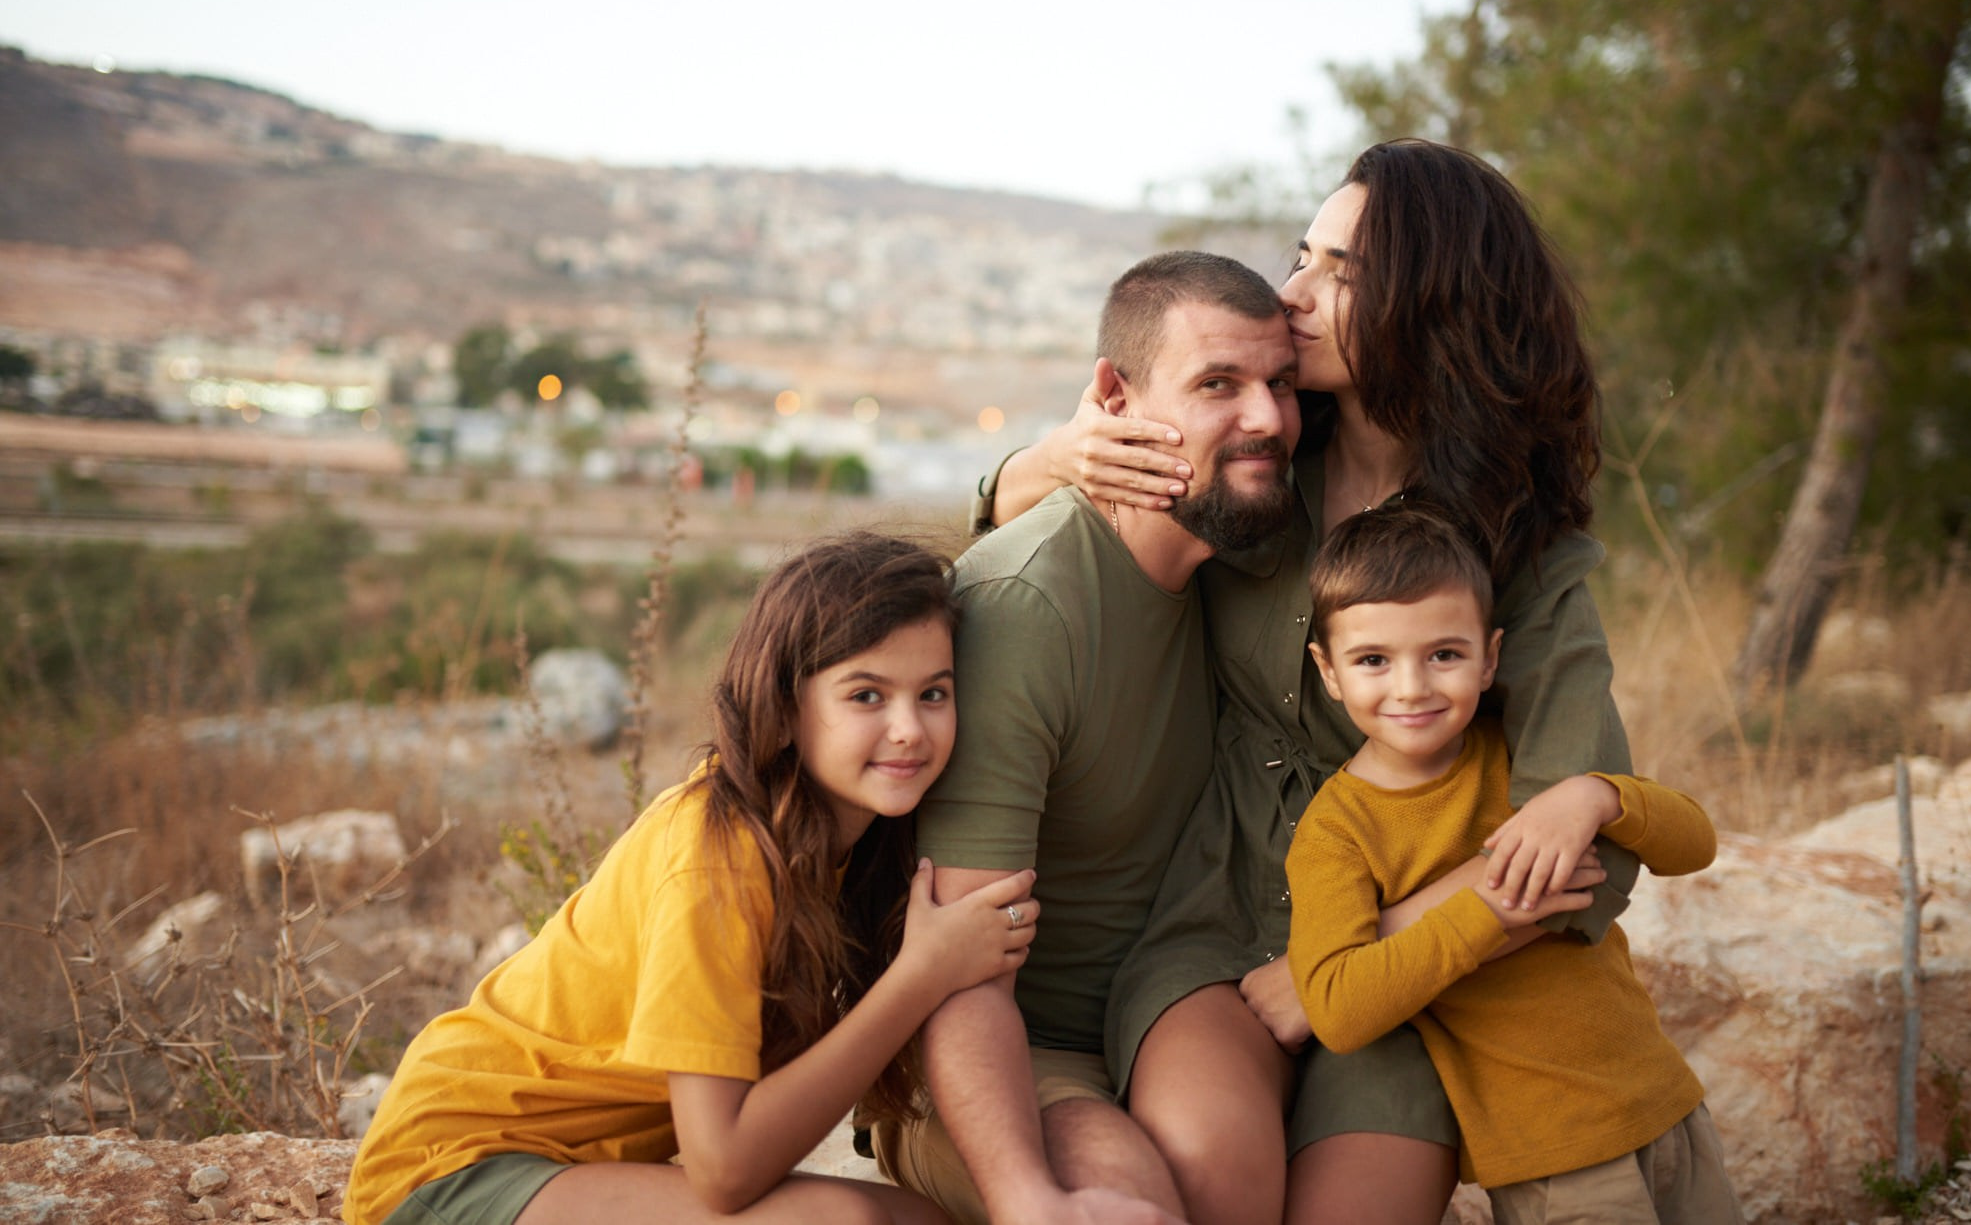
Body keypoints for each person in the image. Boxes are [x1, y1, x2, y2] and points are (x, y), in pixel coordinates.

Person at [979, 138, 1630, 1223]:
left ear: (1433, 302)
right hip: (1208, 930)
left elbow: (1585, 854)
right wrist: (1047, 458)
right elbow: (1036, 540)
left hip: (1404, 974)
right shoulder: (1253, 466)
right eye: (1301, 254)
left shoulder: (1521, 549)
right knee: (1210, 1179)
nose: (1291, 294)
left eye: (1339, 272)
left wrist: (1350, 957)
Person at [343, 532, 1041, 1225]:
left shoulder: (856, 842)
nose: (908, 729)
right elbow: (724, 1167)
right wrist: (921, 975)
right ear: (788, 707)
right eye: (866, 695)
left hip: (574, 1164)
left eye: (933, 693)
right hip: (453, 1165)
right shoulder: (722, 853)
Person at [870, 250, 1302, 1225]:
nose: (1267, 419)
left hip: (1186, 1010)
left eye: (1280, 384)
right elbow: (959, 956)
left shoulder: (1243, 552)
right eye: (1217, 385)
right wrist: (1026, 1194)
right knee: (1125, 1207)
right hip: (1019, 1048)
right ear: (1110, 396)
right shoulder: (1025, 606)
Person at [1289, 503, 1740, 1224]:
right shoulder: (1336, 830)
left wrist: (1596, 795)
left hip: (1665, 1100)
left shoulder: (1524, 761)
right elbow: (1339, 1006)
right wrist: (1489, 907)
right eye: (1374, 659)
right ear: (1329, 671)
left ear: (1491, 656)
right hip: (1553, 1156)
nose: (1412, 687)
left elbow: (1697, 843)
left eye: (1445, 653)